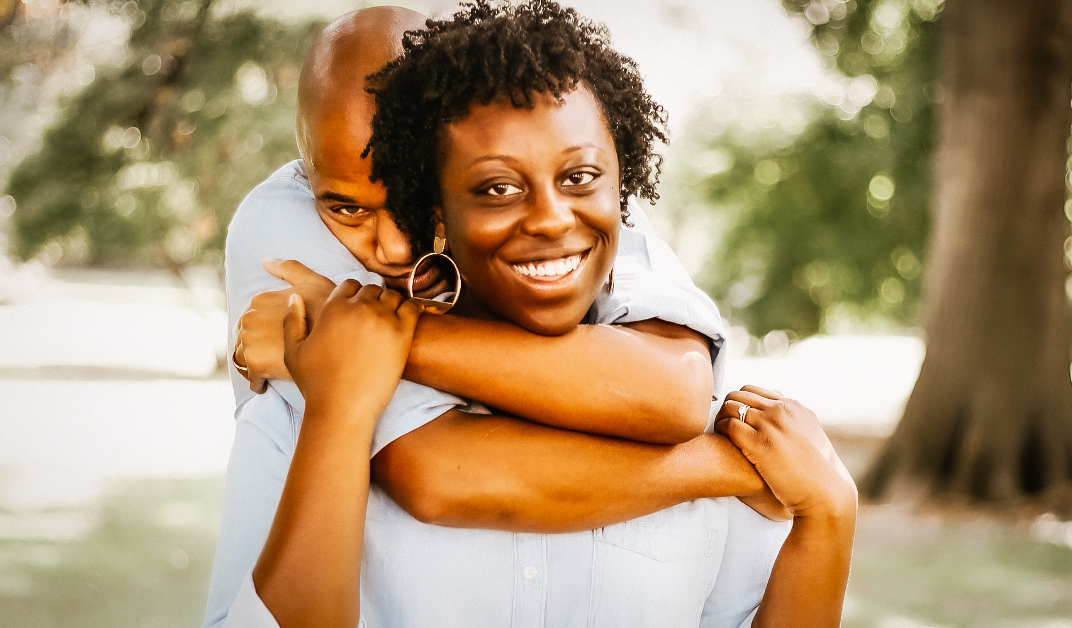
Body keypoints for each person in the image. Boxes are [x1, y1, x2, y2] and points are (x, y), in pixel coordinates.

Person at [206, 2, 855, 627]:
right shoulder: (293, 391)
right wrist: (727, 470)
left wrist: (361, 329)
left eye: (572, 182)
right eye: (349, 210)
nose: (395, 247)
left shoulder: (617, 267)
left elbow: (677, 392)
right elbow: (428, 472)